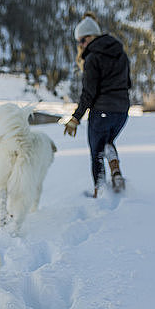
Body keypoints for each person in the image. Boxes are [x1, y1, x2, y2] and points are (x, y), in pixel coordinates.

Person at [61, 13, 132, 198]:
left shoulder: (93, 58)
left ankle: (99, 191)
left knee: (97, 152)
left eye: (82, 41)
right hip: (122, 111)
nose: (81, 45)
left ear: (92, 37)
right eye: (79, 42)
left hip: (102, 112)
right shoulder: (121, 54)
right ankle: (116, 173)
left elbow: (88, 94)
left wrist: (76, 117)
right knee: (108, 142)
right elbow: (128, 83)